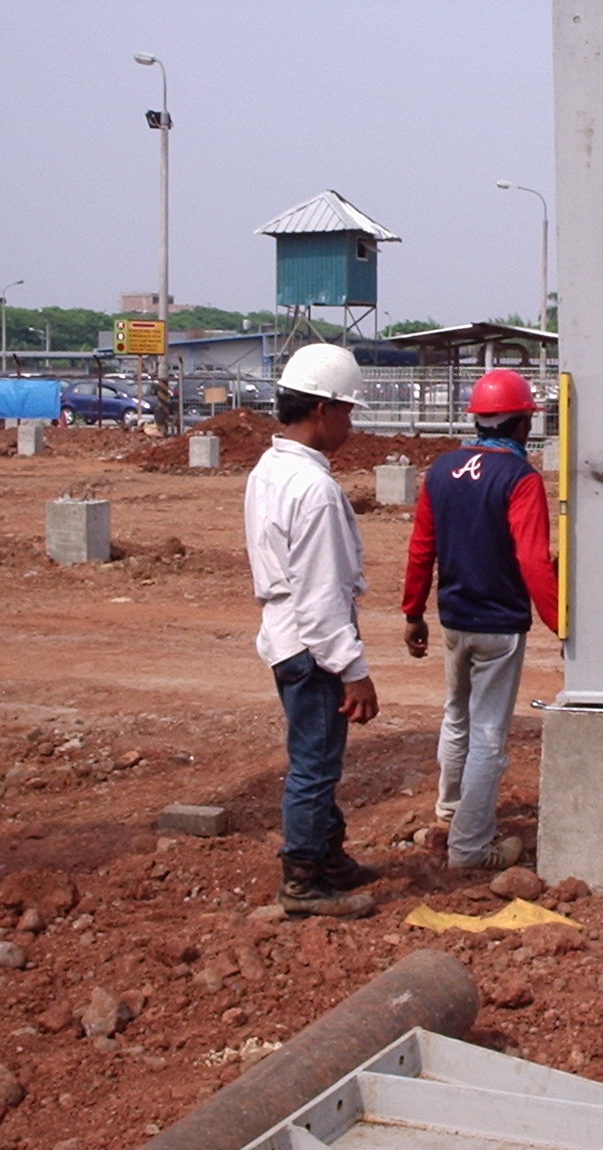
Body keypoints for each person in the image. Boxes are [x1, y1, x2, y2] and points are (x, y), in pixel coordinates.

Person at [243, 344, 382, 918]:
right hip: (311, 646)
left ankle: (327, 855)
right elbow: (322, 598)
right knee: (315, 764)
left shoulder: (269, 471)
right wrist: (353, 671)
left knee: (314, 755)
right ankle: (302, 879)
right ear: (323, 410)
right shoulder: (316, 490)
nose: (350, 425)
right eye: (347, 413)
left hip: (284, 636)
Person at [402, 369, 559, 870]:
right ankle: (470, 846)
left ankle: (451, 811)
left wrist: (412, 611)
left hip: (454, 618)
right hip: (499, 624)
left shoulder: (441, 470)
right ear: (519, 425)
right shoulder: (519, 478)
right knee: (489, 732)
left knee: (456, 715)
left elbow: (421, 548)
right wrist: (562, 624)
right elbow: (534, 560)